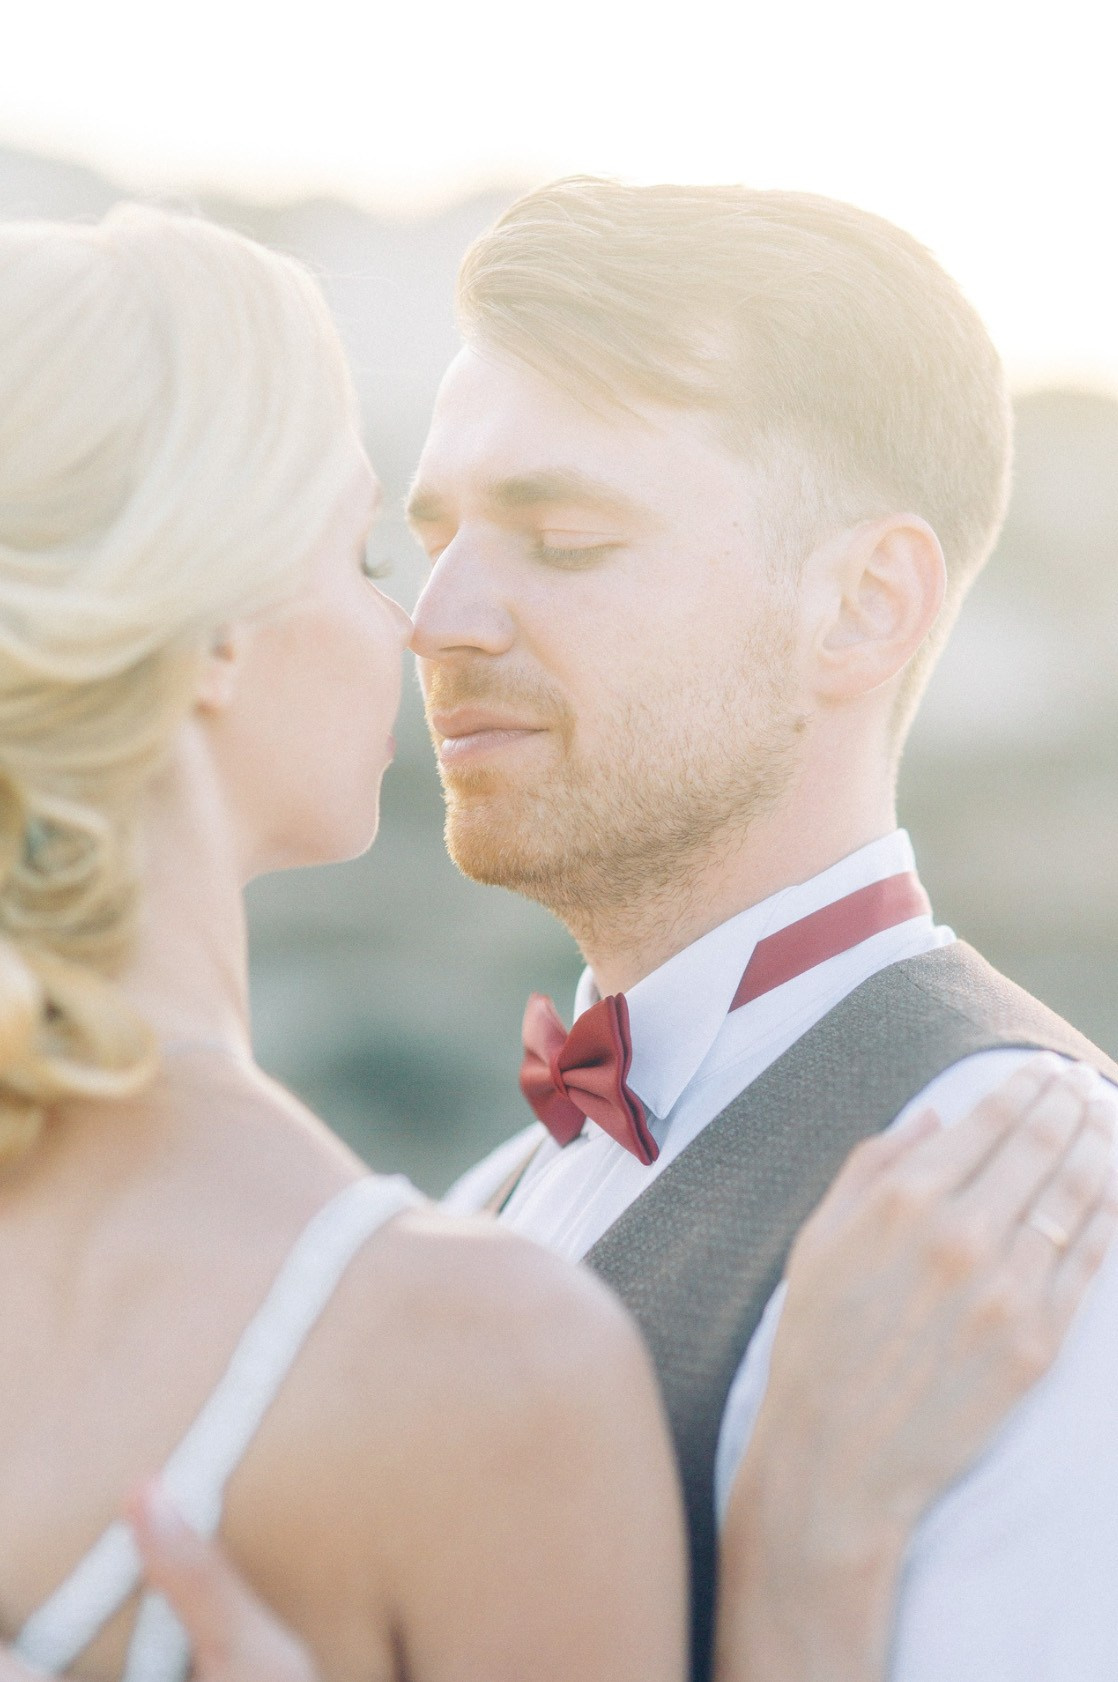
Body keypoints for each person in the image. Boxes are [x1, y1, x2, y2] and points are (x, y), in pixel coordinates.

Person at [0, 197, 1112, 1682]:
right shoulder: (490, 1200)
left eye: (564, 541)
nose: (439, 618)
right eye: (422, 540)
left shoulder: (1026, 1203)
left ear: (863, 604)